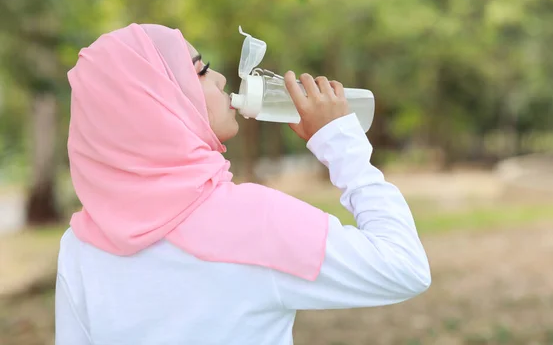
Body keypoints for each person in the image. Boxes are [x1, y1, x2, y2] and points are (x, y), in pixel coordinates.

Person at [55, 23, 431, 345]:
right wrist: (342, 146)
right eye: (200, 71)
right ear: (159, 102)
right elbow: (404, 267)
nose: (220, 79)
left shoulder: (81, 244)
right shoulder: (254, 221)